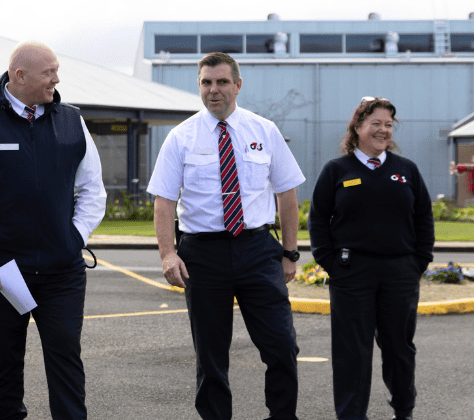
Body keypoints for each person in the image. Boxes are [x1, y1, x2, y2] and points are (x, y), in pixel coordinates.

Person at [0, 41, 106, 420]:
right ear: (19, 76)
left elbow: (93, 190)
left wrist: (75, 237)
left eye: (56, 70)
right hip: (2, 272)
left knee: (66, 357)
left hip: (61, 270)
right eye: (49, 71)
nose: (56, 78)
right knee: (4, 363)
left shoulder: (71, 120)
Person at [147, 52, 305, 420]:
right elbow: (164, 202)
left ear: (237, 85)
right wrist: (168, 254)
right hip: (203, 255)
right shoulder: (180, 137)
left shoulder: (264, 131)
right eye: (206, 83)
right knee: (211, 356)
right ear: (199, 86)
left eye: (221, 82)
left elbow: (287, 195)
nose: (213, 90)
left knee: (282, 346)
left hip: (257, 249)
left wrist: (290, 252)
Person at [309, 97, 434, 420]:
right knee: (352, 352)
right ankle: (351, 415)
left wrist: (417, 262)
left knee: (399, 349)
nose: (383, 130)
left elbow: (423, 218)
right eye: (376, 123)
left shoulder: (406, 171)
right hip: (351, 275)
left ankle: (403, 410)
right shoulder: (337, 170)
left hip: (400, 274)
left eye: (388, 124)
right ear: (358, 127)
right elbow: (318, 219)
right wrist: (331, 263)